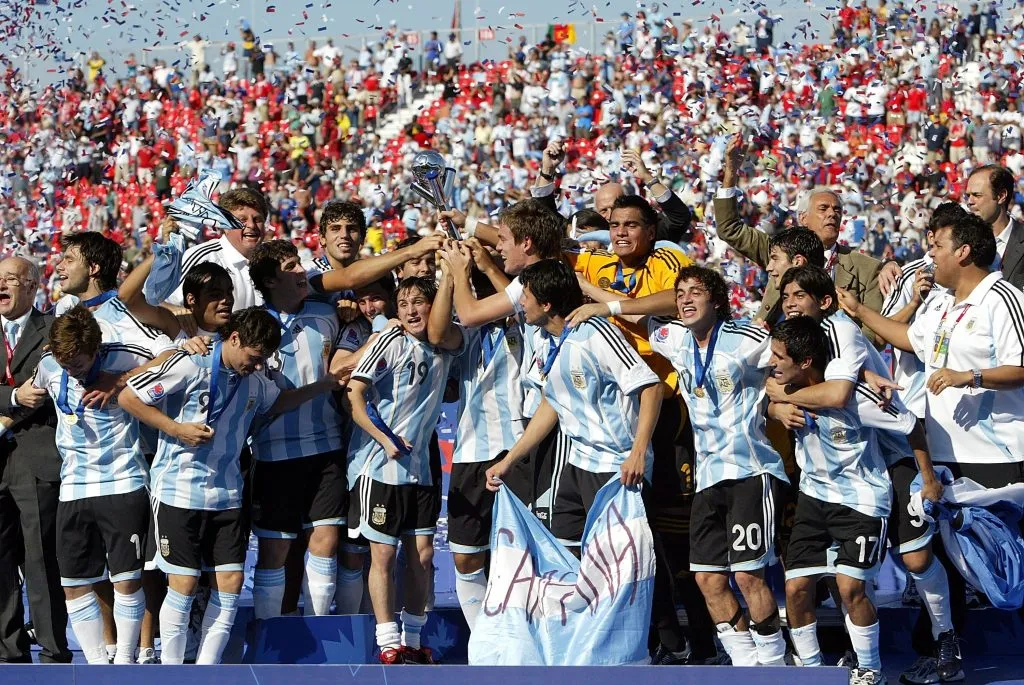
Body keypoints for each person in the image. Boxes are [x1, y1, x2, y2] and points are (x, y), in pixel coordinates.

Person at [838, 212, 1024, 680]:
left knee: (1011, 565)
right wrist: (861, 313)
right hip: (942, 458)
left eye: (938, 243)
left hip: (1000, 459)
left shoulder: (1003, 299)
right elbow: (910, 341)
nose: (930, 252)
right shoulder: (939, 303)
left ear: (963, 251)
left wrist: (971, 377)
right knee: (943, 561)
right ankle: (946, 654)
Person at [574, 265, 790, 666]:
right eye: (681, 294)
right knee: (708, 580)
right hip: (708, 479)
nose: (686, 299)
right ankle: (747, 667)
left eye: (696, 292)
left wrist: (780, 398)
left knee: (748, 577)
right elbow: (637, 314)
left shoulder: (748, 338)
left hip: (750, 473)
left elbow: (793, 358)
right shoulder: (674, 337)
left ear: (717, 300)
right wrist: (594, 299)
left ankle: (775, 668)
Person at [119, 307, 342, 664]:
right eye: (254, 357)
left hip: (227, 496)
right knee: (185, 584)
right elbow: (129, 397)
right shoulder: (190, 363)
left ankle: (208, 669)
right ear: (234, 339)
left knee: (231, 583)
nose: (257, 365)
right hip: (178, 492)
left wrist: (322, 385)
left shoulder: (254, 379)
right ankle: (174, 670)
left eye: (263, 359)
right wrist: (176, 429)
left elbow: (277, 402)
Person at [769, 316, 913, 685]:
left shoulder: (857, 396)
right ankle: (813, 673)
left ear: (804, 362)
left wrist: (927, 480)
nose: (771, 363)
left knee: (851, 589)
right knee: (796, 589)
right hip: (814, 498)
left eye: (778, 357)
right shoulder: (783, 385)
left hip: (862, 502)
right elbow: (762, 387)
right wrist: (777, 406)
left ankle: (870, 669)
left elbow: (912, 426)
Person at [485, 260, 662, 545]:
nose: (520, 302)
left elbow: (650, 387)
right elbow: (550, 404)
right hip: (577, 462)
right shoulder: (543, 339)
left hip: (616, 466)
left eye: (526, 296)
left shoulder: (596, 334)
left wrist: (638, 453)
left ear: (546, 304)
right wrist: (509, 461)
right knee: (566, 550)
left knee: (619, 563)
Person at [343, 276, 464, 665]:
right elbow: (355, 393)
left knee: (424, 556)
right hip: (380, 467)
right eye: (404, 303)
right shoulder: (389, 341)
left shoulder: (447, 346)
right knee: (383, 554)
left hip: (422, 470)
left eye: (420, 302)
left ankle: (413, 639)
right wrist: (384, 438)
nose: (411, 310)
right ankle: (387, 641)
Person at [32, 306, 154, 664]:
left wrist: (117, 381)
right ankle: (99, 666)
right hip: (74, 487)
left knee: (127, 580)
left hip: (123, 482)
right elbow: (32, 389)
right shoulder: (49, 366)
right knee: (73, 582)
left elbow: (170, 357)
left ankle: (127, 662)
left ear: (97, 349)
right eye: (66, 363)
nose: (73, 371)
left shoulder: (124, 354)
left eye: (80, 364)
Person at [427, 241, 528, 630]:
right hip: (473, 451)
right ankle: (486, 640)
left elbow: (515, 298)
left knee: (521, 553)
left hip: (522, 449)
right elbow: (438, 334)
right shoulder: (469, 331)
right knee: (467, 557)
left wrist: (484, 266)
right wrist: (454, 274)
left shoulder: (528, 322)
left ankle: (521, 637)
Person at [246, 241, 349, 620]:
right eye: (291, 266)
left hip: (327, 446)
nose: (302, 270)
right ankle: (271, 635)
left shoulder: (328, 314)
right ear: (271, 280)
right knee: (275, 549)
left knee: (326, 541)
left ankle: (319, 629)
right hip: (273, 453)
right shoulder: (252, 326)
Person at [714, 135, 890, 340]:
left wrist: (833, 349)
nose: (832, 214)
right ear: (803, 218)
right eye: (823, 209)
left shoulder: (866, 268)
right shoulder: (779, 250)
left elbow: (875, 336)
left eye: (837, 210)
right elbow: (729, 228)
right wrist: (730, 172)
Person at [0, 256, 72, 664]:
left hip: (37, 458)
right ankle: (7, 647)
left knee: (41, 558)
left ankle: (52, 646)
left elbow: (49, 388)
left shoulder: (51, 330)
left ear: (32, 286)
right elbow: (23, 392)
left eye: (11, 279)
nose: (3, 285)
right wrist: (12, 397)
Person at [164, 187, 270, 311]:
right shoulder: (202, 258)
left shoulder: (272, 262)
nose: (252, 225)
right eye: (242, 220)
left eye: (258, 219)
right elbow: (157, 303)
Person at [964, 165, 1023, 288]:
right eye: (968, 195)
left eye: (977, 195)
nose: (970, 201)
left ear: (1001, 196)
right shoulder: (960, 241)